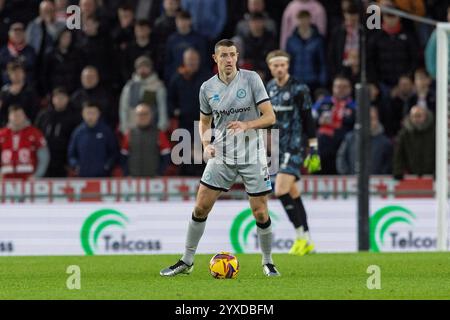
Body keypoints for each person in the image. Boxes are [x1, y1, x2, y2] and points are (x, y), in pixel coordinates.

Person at [160, 39, 279, 277]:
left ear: (237, 57)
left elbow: (270, 117)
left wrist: (247, 124)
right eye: (224, 55)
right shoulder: (207, 88)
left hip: (251, 154)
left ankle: (267, 262)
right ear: (215, 59)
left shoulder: (252, 79)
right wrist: (206, 144)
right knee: (201, 206)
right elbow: (204, 122)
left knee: (260, 212)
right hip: (222, 154)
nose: (229, 59)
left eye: (232, 55)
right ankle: (187, 261)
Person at [266, 50, 319, 256]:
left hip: (295, 145)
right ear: (270, 68)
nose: (279, 69)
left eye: (283, 65)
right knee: (293, 193)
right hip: (278, 147)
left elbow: (308, 119)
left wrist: (313, 147)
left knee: (279, 190)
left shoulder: (299, 88)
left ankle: (299, 238)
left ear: (288, 66)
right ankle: (308, 240)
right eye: (275, 65)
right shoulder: (269, 88)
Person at [312, 75, 356, 174]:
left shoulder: (354, 106)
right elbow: (309, 118)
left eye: (344, 87)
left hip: (342, 143)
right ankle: (313, 173)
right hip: (322, 143)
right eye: (338, 87)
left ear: (350, 89)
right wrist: (319, 120)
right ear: (333, 88)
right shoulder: (322, 102)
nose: (341, 90)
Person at [35, 87, 80, 177]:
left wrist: (69, 161)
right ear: (53, 99)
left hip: (63, 161)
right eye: (57, 98)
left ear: (67, 99)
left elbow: (75, 140)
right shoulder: (43, 115)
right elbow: (36, 134)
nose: (60, 100)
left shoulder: (74, 117)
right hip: (44, 158)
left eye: (62, 98)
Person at [168, 48, 211, 138]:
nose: (192, 62)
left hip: (204, 122)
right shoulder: (177, 78)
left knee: (203, 151)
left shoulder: (208, 78)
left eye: (194, 60)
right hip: (184, 122)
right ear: (184, 61)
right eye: (189, 60)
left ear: (199, 60)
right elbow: (170, 98)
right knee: (185, 151)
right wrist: (175, 111)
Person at [68, 102, 118, 178]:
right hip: (82, 177)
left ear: (99, 114)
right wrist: (76, 166)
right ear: (83, 114)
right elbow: (71, 154)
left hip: (102, 177)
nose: (90, 116)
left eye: (93, 113)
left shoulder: (106, 131)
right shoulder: (78, 132)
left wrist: (107, 166)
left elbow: (113, 152)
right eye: (88, 113)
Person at [336, 107, 393, 175]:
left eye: (372, 119)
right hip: (351, 183)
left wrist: (379, 178)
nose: (368, 122)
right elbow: (341, 158)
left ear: (377, 120)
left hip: (376, 183)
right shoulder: (350, 138)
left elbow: (388, 164)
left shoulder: (385, 143)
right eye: (365, 119)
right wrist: (347, 177)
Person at [119, 56, 168, 134]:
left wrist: (162, 126)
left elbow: (162, 107)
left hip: (153, 128)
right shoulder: (129, 86)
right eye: (140, 67)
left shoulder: (158, 86)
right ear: (136, 69)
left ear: (150, 68)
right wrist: (124, 126)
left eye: (146, 67)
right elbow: (124, 108)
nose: (143, 69)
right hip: (133, 128)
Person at [0, 104, 49, 180]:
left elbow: (44, 157)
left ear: (24, 116)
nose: (16, 118)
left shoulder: (34, 133)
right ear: (9, 117)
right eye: (14, 115)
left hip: (28, 178)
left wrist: (37, 175)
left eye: (19, 115)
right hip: (5, 179)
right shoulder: (2, 134)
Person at [121, 103, 171, 177]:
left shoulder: (159, 133)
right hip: (134, 179)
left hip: (153, 180)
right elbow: (123, 156)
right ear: (135, 116)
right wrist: (127, 173)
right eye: (140, 114)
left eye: (145, 114)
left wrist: (160, 173)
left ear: (150, 115)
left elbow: (166, 155)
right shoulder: (129, 134)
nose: (142, 117)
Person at [286, 10, 327, 93]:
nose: (303, 22)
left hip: (314, 81)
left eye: (306, 19)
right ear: (297, 20)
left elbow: (323, 61)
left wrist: (323, 81)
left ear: (310, 19)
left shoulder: (318, 39)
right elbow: (288, 62)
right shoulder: (291, 41)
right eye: (301, 19)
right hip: (296, 80)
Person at [164, 10, 208, 83]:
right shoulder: (172, 39)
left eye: (185, 20)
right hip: (176, 76)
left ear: (190, 21)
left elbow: (203, 61)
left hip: (194, 77)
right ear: (176, 22)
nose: (182, 23)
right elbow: (168, 61)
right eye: (180, 20)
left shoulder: (198, 39)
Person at [393, 106, 435, 179]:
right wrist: (398, 171)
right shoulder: (404, 134)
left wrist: (437, 170)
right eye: (413, 116)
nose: (416, 119)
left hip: (431, 175)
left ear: (425, 116)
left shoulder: (434, 132)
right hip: (411, 175)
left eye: (419, 116)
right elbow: (399, 154)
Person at [0, 62, 38, 126]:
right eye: (13, 73)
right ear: (9, 75)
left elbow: (34, 112)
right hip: (7, 126)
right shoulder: (4, 92)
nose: (16, 75)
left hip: (26, 125)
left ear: (24, 74)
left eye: (19, 72)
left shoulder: (31, 92)